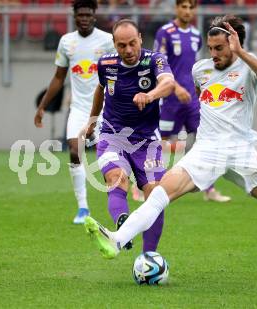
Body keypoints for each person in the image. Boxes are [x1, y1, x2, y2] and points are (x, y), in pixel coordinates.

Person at [83, 15, 257, 281]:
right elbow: (199, 99)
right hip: (206, 151)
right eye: (210, 47)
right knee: (160, 194)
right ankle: (117, 239)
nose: (213, 53)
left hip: (242, 152)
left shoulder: (248, 68)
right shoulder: (200, 70)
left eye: (219, 48)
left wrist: (242, 54)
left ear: (234, 44)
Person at [83, 19, 175, 252]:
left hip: (147, 141)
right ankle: (122, 226)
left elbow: (169, 83)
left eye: (132, 43)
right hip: (112, 135)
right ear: (114, 44)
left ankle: (149, 255)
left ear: (140, 39)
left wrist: (151, 94)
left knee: (155, 195)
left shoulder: (155, 60)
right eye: (122, 45)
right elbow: (100, 90)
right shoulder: (105, 64)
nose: (128, 50)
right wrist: (91, 122)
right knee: (116, 178)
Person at [34, 0, 115, 224]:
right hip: (79, 108)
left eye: (88, 14)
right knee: (73, 149)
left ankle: (116, 199)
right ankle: (83, 208)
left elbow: (119, 71)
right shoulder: (67, 42)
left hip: (104, 109)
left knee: (107, 156)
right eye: (80, 15)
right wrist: (42, 106)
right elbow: (59, 77)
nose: (84, 18)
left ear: (94, 16)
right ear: (75, 16)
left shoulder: (107, 41)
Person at [153, 0, 231, 202]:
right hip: (170, 98)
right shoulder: (165, 32)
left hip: (192, 98)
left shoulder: (197, 35)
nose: (188, 11)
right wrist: (175, 87)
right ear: (177, 8)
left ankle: (210, 190)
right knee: (159, 142)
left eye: (191, 7)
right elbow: (158, 64)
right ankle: (148, 184)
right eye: (184, 7)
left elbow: (197, 66)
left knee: (205, 139)